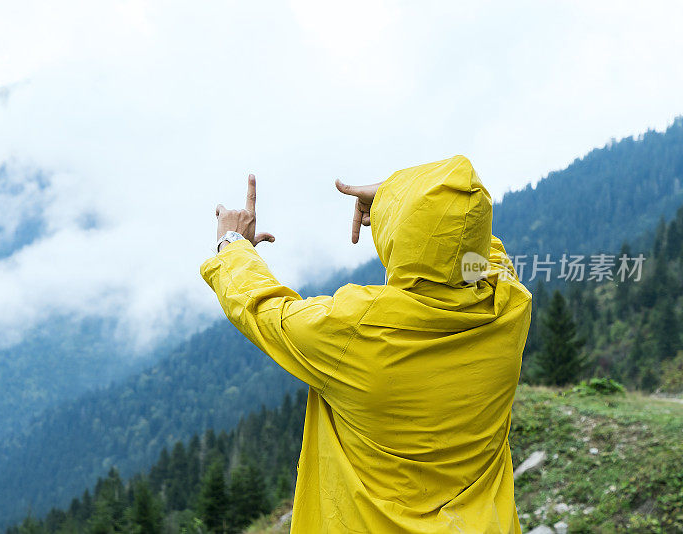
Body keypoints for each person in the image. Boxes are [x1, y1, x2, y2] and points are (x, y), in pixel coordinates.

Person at [200, 155, 532, 533]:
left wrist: (233, 244)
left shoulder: (356, 330)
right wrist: (401, 202)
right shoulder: (508, 307)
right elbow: (477, 256)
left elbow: (264, 309)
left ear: (401, 237)